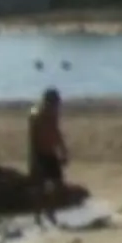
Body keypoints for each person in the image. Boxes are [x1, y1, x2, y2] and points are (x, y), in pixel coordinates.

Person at [27, 89, 70, 229]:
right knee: (39, 187)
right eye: (54, 104)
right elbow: (33, 138)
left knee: (58, 184)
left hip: (51, 153)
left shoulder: (53, 114)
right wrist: (33, 159)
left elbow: (56, 132)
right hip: (38, 154)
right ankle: (37, 218)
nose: (56, 107)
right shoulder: (36, 114)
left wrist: (63, 151)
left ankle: (50, 212)